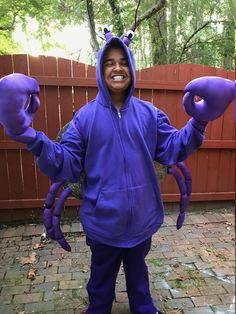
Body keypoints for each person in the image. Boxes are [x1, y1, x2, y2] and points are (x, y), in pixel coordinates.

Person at [0, 28, 234, 314]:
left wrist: (198, 123)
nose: (117, 68)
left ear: (132, 68)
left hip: (142, 221)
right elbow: (67, 163)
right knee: (100, 281)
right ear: (101, 69)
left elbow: (172, 148)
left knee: (139, 277)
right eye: (109, 62)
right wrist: (31, 137)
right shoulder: (84, 118)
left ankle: (144, 307)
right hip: (102, 225)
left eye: (123, 61)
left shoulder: (150, 113)